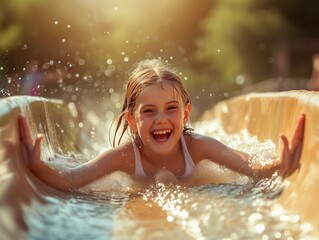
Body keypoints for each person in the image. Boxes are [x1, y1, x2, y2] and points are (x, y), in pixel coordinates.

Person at [18, 58, 306, 192]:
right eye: (149, 111)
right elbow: (72, 180)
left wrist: (281, 164)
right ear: (131, 119)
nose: (161, 120)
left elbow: (251, 168)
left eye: (171, 109)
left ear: (185, 114)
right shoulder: (124, 156)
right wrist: (36, 166)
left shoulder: (199, 147)